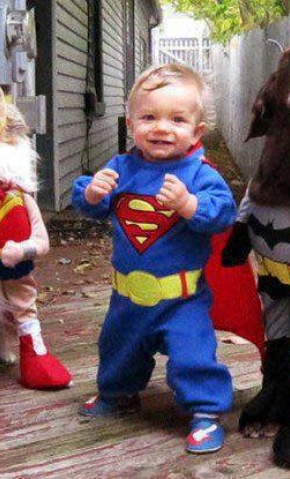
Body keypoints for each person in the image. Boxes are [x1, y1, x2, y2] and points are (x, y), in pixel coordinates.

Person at [72, 64, 236, 454]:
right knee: (117, 347)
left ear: (197, 131)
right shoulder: (120, 167)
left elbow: (223, 213)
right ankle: (119, 394)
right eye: (149, 117)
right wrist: (92, 193)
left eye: (177, 120)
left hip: (182, 298)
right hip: (127, 297)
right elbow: (92, 204)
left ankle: (206, 411)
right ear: (131, 124)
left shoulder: (199, 174)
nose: (162, 128)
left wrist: (189, 204)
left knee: (193, 354)